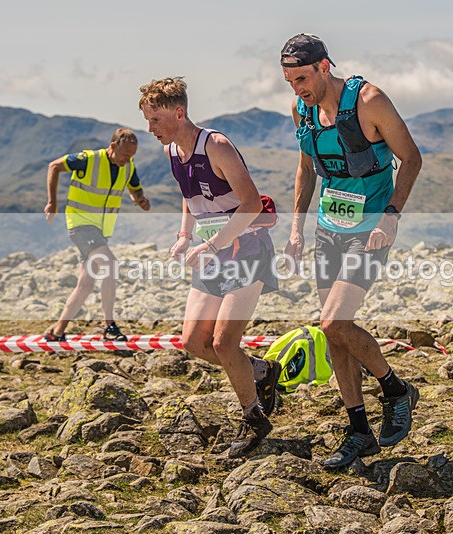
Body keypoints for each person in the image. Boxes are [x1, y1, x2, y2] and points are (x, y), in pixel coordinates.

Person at [280, 34, 423, 469]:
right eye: (289, 81)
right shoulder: (301, 109)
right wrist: (297, 228)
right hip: (329, 227)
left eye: (302, 78)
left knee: (334, 320)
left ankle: (397, 390)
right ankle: (358, 430)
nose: (298, 88)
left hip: (370, 229)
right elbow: (307, 167)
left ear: (325, 67)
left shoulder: (370, 101)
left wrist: (391, 215)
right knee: (333, 333)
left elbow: (412, 158)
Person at [138, 77, 281, 458]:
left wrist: (210, 243)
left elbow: (250, 204)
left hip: (246, 250)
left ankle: (254, 417)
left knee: (223, 343)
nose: (149, 128)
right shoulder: (172, 150)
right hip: (210, 252)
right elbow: (191, 197)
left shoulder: (215, 145)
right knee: (194, 342)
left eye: (154, 119)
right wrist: (185, 235)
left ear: (179, 112)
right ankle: (262, 372)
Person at [44, 128, 150, 342]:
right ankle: (109, 325)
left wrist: (139, 199)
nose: (127, 160)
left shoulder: (128, 167)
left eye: (131, 156)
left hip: (100, 231)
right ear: (112, 146)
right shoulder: (88, 159)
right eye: (124, 155)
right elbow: (54, 166)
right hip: (80, 224)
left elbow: (135, 188)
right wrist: (52, 202)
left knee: (86, 284)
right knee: (110, 264)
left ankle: (57, 331)